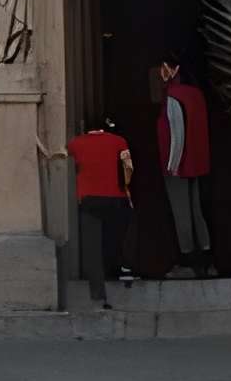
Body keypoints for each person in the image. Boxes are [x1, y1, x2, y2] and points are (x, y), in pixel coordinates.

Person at [44, 118, 135, 307]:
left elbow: (65, 161)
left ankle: (98, 294)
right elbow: (128, 169)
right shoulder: (119, 141)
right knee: (114, 238)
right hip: (116, 197)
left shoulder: (76, 144)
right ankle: (121, 270)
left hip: (88, 199)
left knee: (92, 247)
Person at [156, 57, 214, 278]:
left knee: (182, 214)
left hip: (178, 165)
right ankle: (207, 261)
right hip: (197, 163)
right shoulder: (196, 95)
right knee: (196, 211)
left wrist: (172, 165)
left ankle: (188, 262)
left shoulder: (174, 96)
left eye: (165, 68)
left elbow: (177, 133)